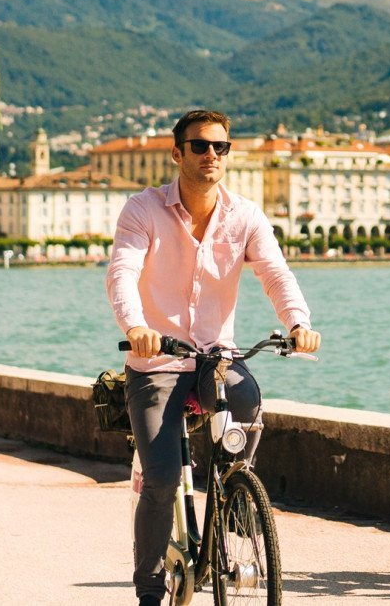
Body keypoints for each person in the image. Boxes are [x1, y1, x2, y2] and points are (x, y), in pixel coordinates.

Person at [106, 109, 321, 606]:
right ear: (177, 152)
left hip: (216, 357)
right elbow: (122, 271)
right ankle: (149, 591)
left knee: (246, 401)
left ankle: (230, 498)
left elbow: (275, 273)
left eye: (220, 147)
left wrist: (298, 323)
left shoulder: (244, 215)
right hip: (157, 361)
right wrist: (136, 328)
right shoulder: (143, 209)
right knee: (160, 481)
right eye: (200, 146)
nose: (211, 155)